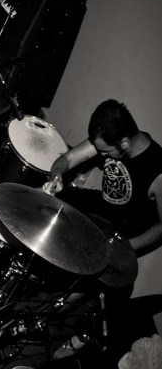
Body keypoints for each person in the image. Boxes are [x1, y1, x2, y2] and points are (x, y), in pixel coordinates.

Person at [43, 99, 162, 255]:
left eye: (105, 151)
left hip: (123, 232)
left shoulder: (157, 171)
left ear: (124, 143)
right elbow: (68, 159)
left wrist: (126, 247)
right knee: (48, 204)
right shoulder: (109, 136)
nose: (101, 154)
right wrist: (56, 176)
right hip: (102, 206)